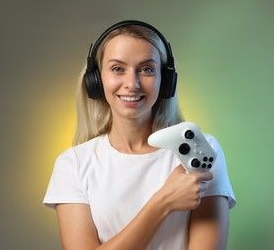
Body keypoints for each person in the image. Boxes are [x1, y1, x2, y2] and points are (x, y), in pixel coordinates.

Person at [43, 20, 236, 250]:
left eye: (146, 69)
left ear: (165, 81)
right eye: (117, 69)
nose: (132, 84)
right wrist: (162, 203)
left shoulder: (201, 149)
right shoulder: (73, 164)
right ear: (96, 80)